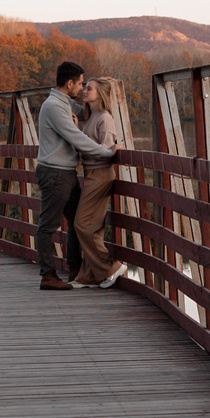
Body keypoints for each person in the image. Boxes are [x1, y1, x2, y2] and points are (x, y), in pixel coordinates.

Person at [32, 62, 115, 290]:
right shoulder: (54, 107)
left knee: (78, 221)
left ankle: (76, 270)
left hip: (65, 173)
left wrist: (106, 89)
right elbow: (76, 138)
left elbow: (90, 112)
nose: (81, 89)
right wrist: (106, 152)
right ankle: (48, 275)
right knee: (48, 226)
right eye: (80, 84)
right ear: (69, 83)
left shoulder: (64, 102)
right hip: (55, 173)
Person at [69, 81, 130, 288]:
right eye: (84, 87)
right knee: (92, 227)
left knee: (81, 224)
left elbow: (105, 149)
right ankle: (90, 276)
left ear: (101, 94)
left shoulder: (105, 118)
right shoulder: (91, 118)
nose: (85, 91)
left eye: (89, 89)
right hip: (90, 173)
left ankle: (111, 267)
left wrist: (110, 149)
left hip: (101, 174)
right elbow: (89, 145)